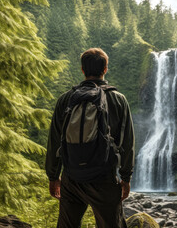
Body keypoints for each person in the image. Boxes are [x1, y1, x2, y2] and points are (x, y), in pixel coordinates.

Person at [45, 48, 135, 228]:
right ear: (105, 69)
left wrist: (53, 176)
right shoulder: (118, 100)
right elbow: (127, 142)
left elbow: (55, 140)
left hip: (71, 177)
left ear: (82, 70)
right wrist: (125, 177)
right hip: (104, 178)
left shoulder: (66, 99)